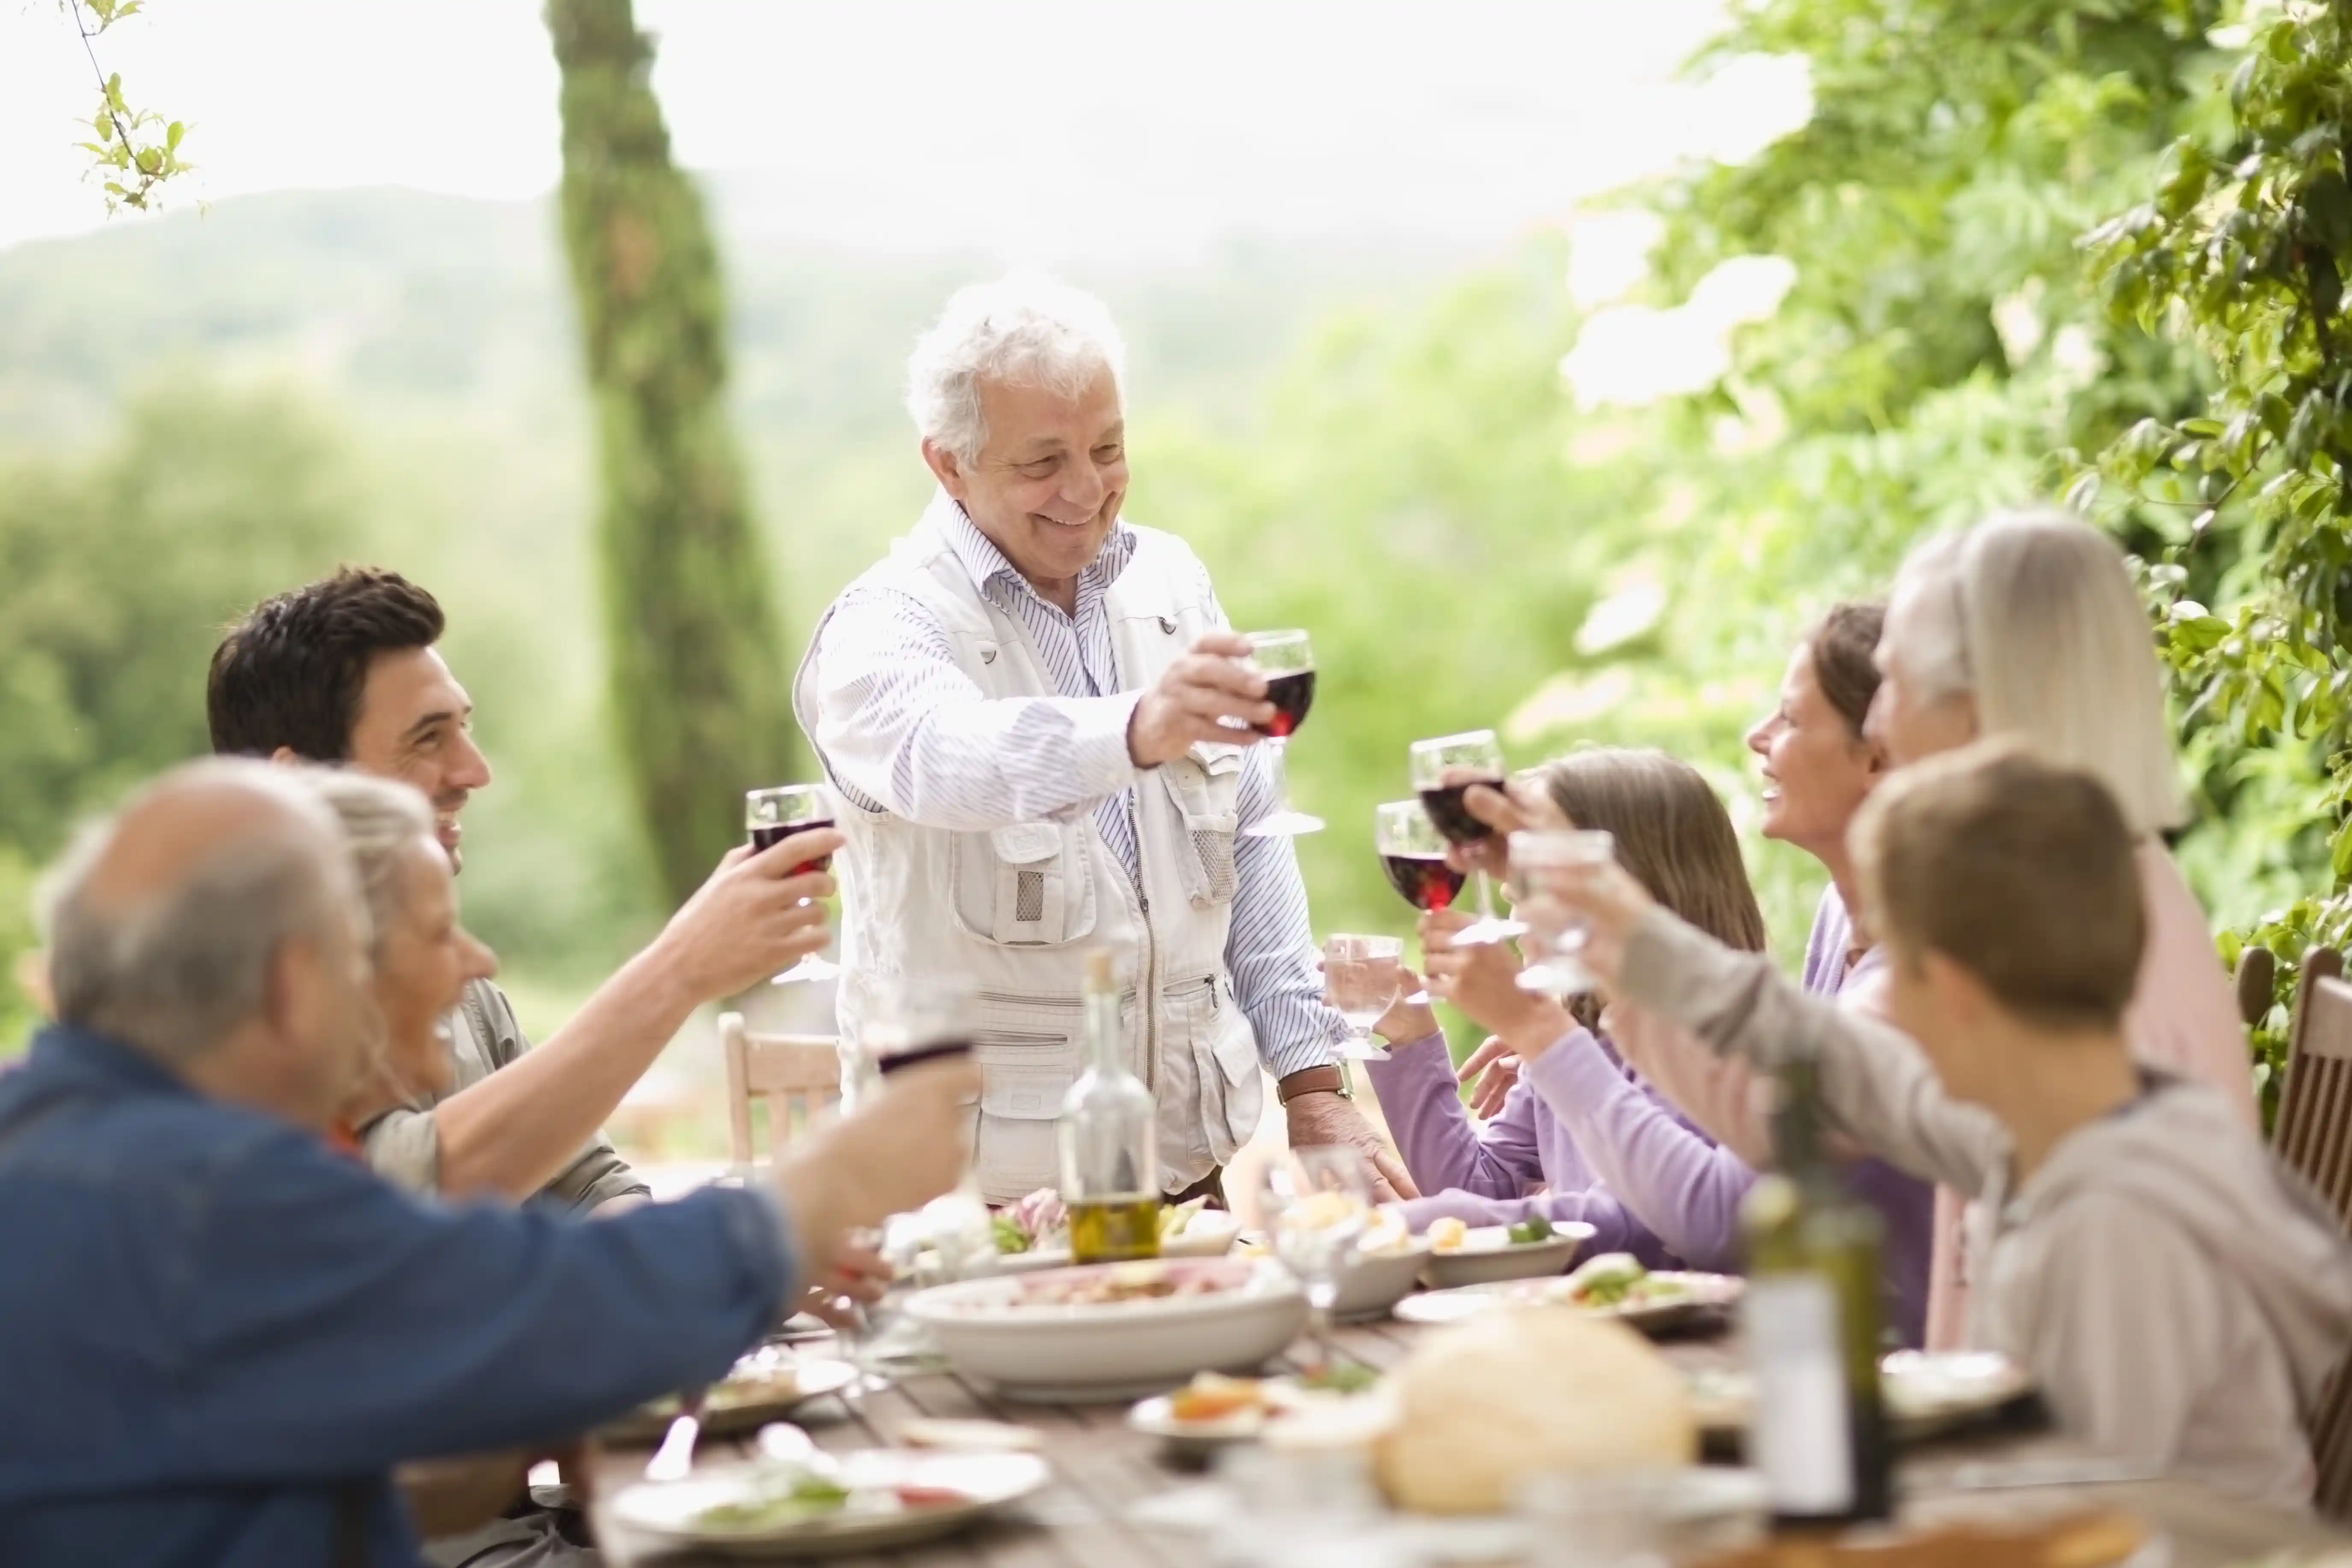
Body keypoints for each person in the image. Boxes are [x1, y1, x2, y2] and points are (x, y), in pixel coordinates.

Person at [0, 758, 978, 1567]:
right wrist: (835, 1177)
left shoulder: (65, 1140)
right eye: (420, 936)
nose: (474, 961)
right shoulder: (194, 1193)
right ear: (294, 984)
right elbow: (549, 1303)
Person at [1457, 511, 2258, 1347]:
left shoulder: (2048, 921)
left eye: (1894, 686)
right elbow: (1796, 1102)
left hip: (2094, 1445)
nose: (1877, 725)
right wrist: (1608, 936)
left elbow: (1786, 1117)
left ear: (1977, 706)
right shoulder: (2069, 878)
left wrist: (1608, 941)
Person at [1533, 743, 2352, 1507]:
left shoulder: (2117, 1222)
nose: (1865, 1000)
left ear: (1951, 988)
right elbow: (1860, 1076)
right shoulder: (2052, 1125)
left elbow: (2093, 1517)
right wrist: (1622, 934)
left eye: (1887, 967)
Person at [793, 273, 1407, 1203]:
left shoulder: (1171, 580)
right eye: (1042, 462)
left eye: (1108, 448)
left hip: (1187, 1184)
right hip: (970, 1207)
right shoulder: (883, 625)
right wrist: (1135, 727)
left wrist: (1313, 1085)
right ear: (948, 464)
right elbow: (944, 758)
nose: (1086, 489)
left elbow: (1250, 844)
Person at [209, 568, 842, 1210]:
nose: (474, 771)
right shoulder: (233, 1005)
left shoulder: (464, 991)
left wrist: (731, 1259)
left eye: (465, 727)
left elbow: (590, 1185)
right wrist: (679, 968)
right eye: (428, 737)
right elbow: (393, 1192)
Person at [1360, 749, 1760, 1264]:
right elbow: (1478, 1186)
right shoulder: (1582, 1024)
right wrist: (1412, 1039)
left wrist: (1430, 1223)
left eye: (1536, 864)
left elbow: (1643, 1221)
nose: (1505, 887)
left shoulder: (1714, 1035)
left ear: (1631, 880)